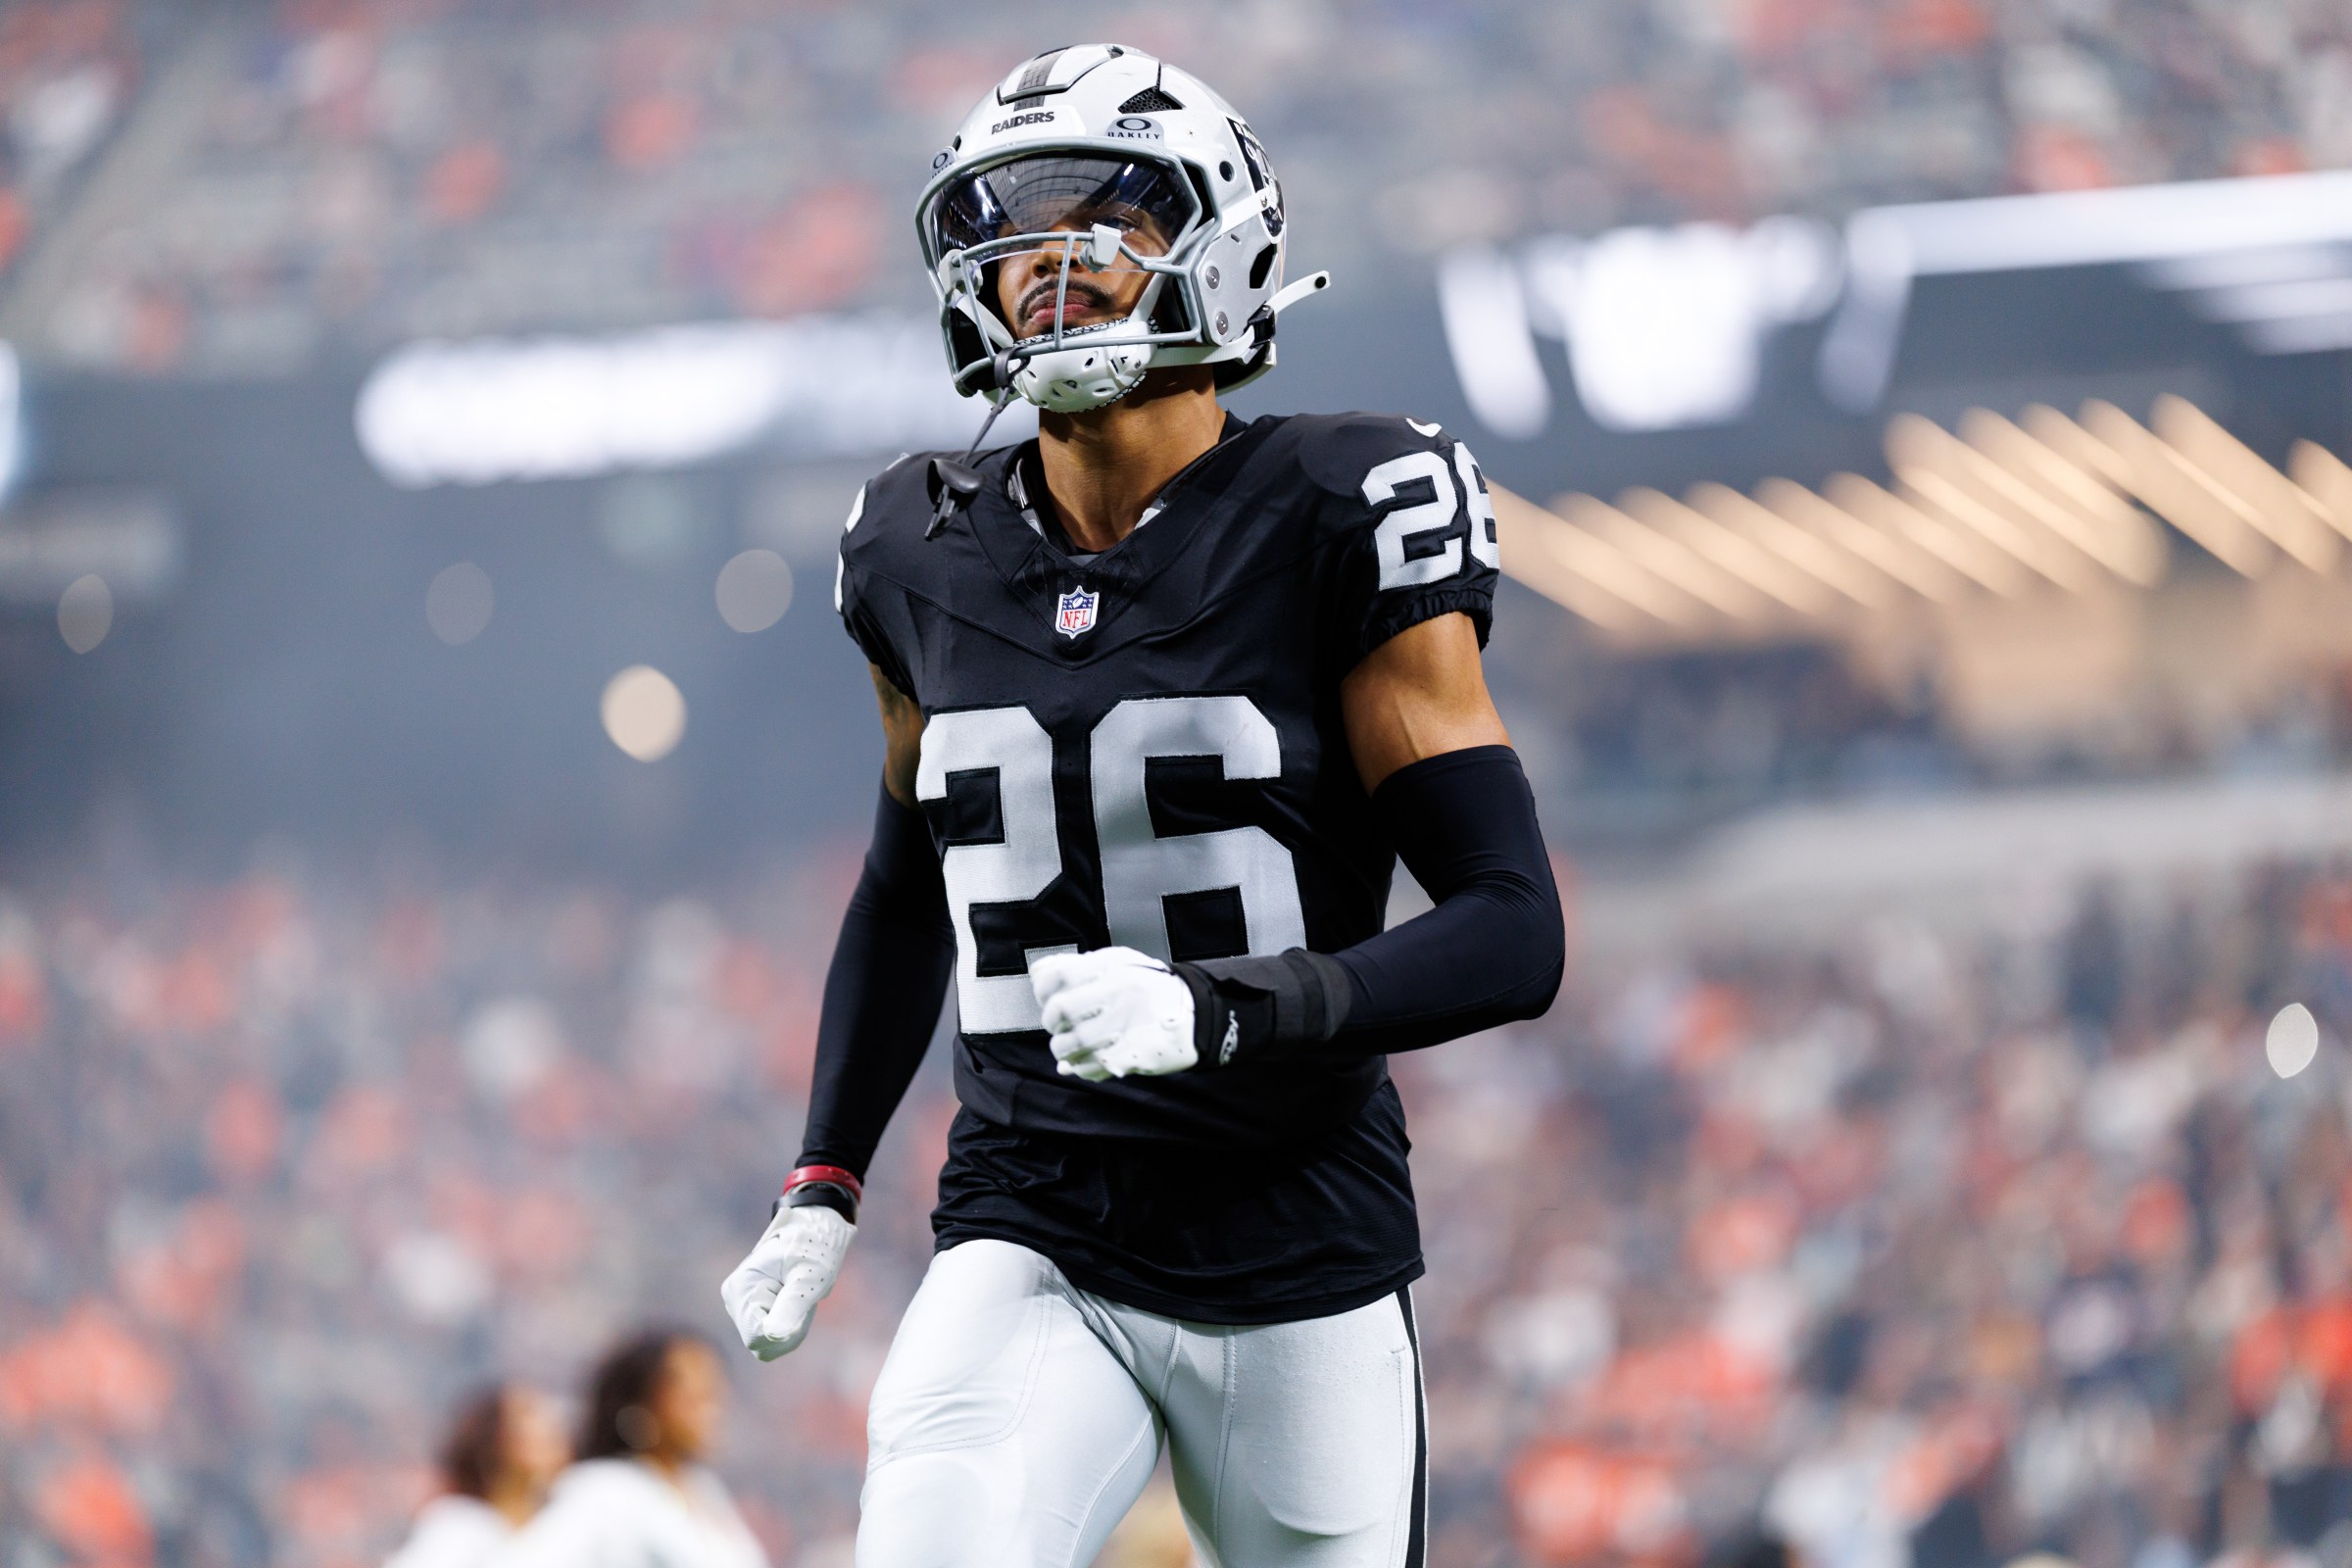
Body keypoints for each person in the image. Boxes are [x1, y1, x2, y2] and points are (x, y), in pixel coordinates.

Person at [721, 42, 1563, 1568]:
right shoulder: (916, 543)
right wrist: (824, 1178)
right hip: (1032, 1218)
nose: (1050, 266)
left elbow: (1514, 930)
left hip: (1296, 1239)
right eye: (1017, 229)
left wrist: (1228, 1009)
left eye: (1106, 223)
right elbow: (911, 886)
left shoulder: (1343, 506)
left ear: (1222, 238)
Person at [498, 1330, 765, 1568]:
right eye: (693, 1396)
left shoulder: (706, 1491)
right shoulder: (606, 1489)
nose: (712, 1410)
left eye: (714, 1394)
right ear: (645, 1404)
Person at [385, 1384, 568, 1568]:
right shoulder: (461, 1524)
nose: (550, 1422)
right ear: (495, 1439)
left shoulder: (561, 1522)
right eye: (528, 1413)